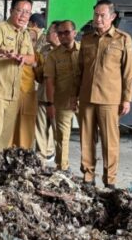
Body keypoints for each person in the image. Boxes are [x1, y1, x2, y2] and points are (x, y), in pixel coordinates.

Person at [75, 0, 132, 189]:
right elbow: (79, 70)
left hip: (110, 99)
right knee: (86, 138)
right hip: (86, 97)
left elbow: (129, 72)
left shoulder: (123, 39)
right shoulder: (86, 39)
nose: (98, 19)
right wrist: (73, 95)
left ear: (112, 17)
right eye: (96, 15)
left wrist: (127, 98)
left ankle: (109, 180)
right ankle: (88, 176)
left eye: (102, 15)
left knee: (110, 141)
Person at [0, 0, 35, 157]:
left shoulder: (25, 35)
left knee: (5, 134)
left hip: (13, 92)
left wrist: (24, 58)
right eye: (20, 11)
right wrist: (5, 53)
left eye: (27, 12)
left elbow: (32, 59)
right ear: (11, 11)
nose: (23, 15)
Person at [44, 20, 81, 171]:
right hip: (62, 100)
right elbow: (49, 81)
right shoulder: (53, 56)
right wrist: (50, 104)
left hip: (82, 100)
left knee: (87, 137)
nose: (63, 36)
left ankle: (87, 170)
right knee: (61, 137)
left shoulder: (85, 50)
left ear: (75, 33)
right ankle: (62, 167)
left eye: (67, 32)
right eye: (60, 33)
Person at [10, 13, 46, 149]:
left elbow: (41, 76)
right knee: (10, 125)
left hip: (28, 95)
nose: (30, 43)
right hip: (12, 93)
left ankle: (23, 151)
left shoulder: (37, 57)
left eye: (33, 40)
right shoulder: (13, 54)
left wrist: (36, 65)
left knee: (26, 126)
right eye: (27, 40)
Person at [35, 21, 60, 161]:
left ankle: (61, 162)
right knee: (40, 130)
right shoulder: (44, 49)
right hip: (43, 94)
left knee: (58, 132)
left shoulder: (68, 51)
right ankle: (41, 158)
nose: (46, 34)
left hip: (59, 98)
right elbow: (40, 74)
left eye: (49, 32)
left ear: (56, 34)